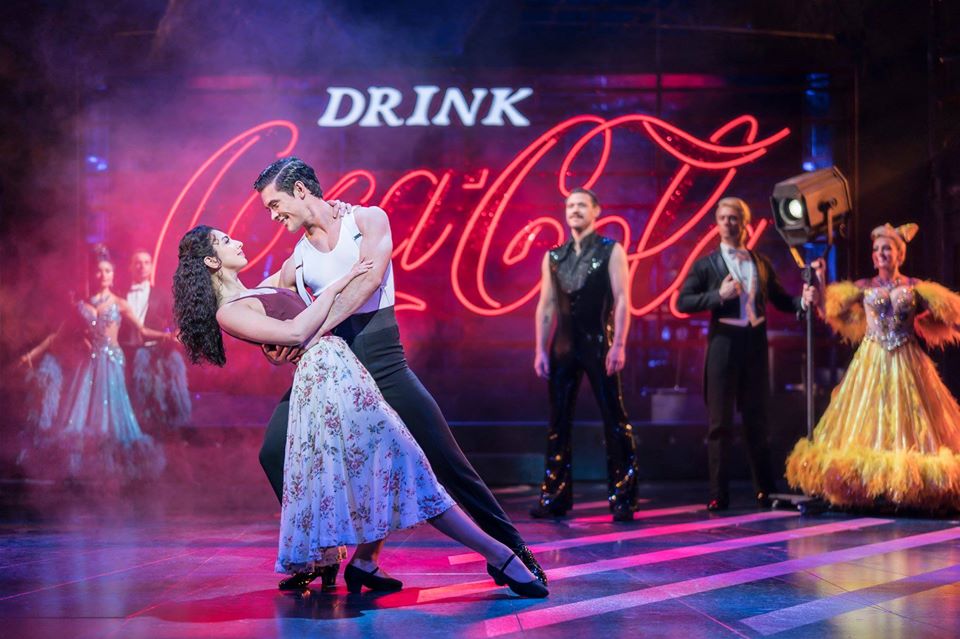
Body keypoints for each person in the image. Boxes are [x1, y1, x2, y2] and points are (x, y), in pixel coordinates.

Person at [172, 226, 548, 598]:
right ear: (211, 260)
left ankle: (367, 561)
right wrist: (338, 285)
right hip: (325, 379)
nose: (238, 240)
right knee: (403, 462)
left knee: (390, 463)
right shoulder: (229, 312)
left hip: (342, 370)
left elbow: (288, 324)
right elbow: (295, 334)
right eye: (224, 241)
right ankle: (498, 554)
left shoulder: (259, 287)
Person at [253, 157, 546, 590]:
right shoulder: (295, 258)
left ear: (300, 190)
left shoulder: (367, 219)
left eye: (276, 204)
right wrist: (268, 339)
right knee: (274, 448)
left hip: (381, 357)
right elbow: (269, 309)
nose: (274, 216)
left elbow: (367, 283)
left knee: (446, 460)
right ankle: (325, 555)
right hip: (332, 363)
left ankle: (513, 550)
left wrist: (310, 324)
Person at [786, 223, 960, 510]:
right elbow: (829, 311)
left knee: (910, 422)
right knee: (870, 418)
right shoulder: (864, 287)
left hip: (907, 358)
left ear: (899, 254)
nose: (881, 254)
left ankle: (906, 485)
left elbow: (948, 313)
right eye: (877, 249)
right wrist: (819, 280)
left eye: (887, 249)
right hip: (871, 359)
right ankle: (871, 485)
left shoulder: (915, 286)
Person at [676, 197, 816, 510]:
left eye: (734, 217)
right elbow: (682, 302)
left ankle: (765, 490)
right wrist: (717, 295)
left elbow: (782, 300)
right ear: (717, 223)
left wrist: (803, 301)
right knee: (719, 423)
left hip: (754, 341)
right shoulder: (706, 264)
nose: (728, 222)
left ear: (744, 223)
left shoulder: (760, 262)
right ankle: (717, 493)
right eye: (723, 217)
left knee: (758, 420)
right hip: (723, 341)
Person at [531, 187, 639, 522]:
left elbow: (623, 299)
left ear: (596, 211)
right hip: (563, 344)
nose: (574, 210)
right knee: (558, 421)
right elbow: (545, 305)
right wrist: (539, 348)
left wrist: (619, 343)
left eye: (581, 205)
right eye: (570, 205)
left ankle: (623, 497)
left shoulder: (611, 250)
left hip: (598, 342)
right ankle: (555, 497)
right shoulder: (554, 256)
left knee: (614, 418)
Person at [57, 248, 168, 480]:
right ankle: (82, 468)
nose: (103, 275)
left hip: (112, 361)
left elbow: (143, 330)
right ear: (94, 275)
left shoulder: (120, 303)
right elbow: (69, 333)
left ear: (113, 275)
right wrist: (82, 339)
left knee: (114, 410)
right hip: (88, 364)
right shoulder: (83, 304)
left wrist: (168, 336)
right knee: (83, 411)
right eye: (99, 271)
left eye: (107, 271)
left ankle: (112, 466)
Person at [119, 249, 191, 432]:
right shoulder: (119, 295)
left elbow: (178, 321)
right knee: (126, 399)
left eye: (146, 262)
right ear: (130, 267)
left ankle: (157, 434)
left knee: (153, 397)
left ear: (151, 267)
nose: (142, 266)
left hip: (153, 354)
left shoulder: (161, 294)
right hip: (125, 353)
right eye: (137, 262)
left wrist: (175, 335)